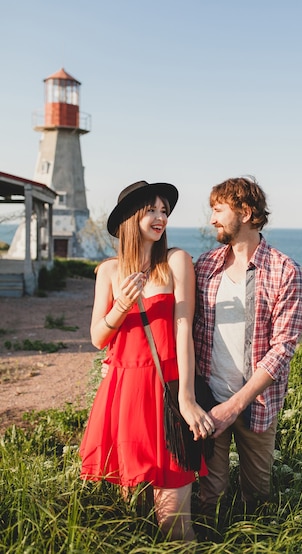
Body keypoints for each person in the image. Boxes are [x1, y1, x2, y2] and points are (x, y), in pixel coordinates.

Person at [79, 180, 215, 542]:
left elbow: (183, 329)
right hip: (125, 394)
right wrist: (121, 306)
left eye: (164, 211)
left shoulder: (175, 261)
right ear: (130, 217)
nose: (160, 217)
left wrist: (187, 398)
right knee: (131, 512)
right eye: (152, 209)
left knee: (172, 519)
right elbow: (97, 338)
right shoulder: (108, 271)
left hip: (168, 390)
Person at [193, 176, 302, 527]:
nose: (212, 219)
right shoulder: (204, 267)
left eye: (218, 210)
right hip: (208, 400)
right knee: (209, 492)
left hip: (256, 404)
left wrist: (235, 405)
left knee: (257, 494)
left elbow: (282, 348)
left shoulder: (287, 271)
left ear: (245, 212)